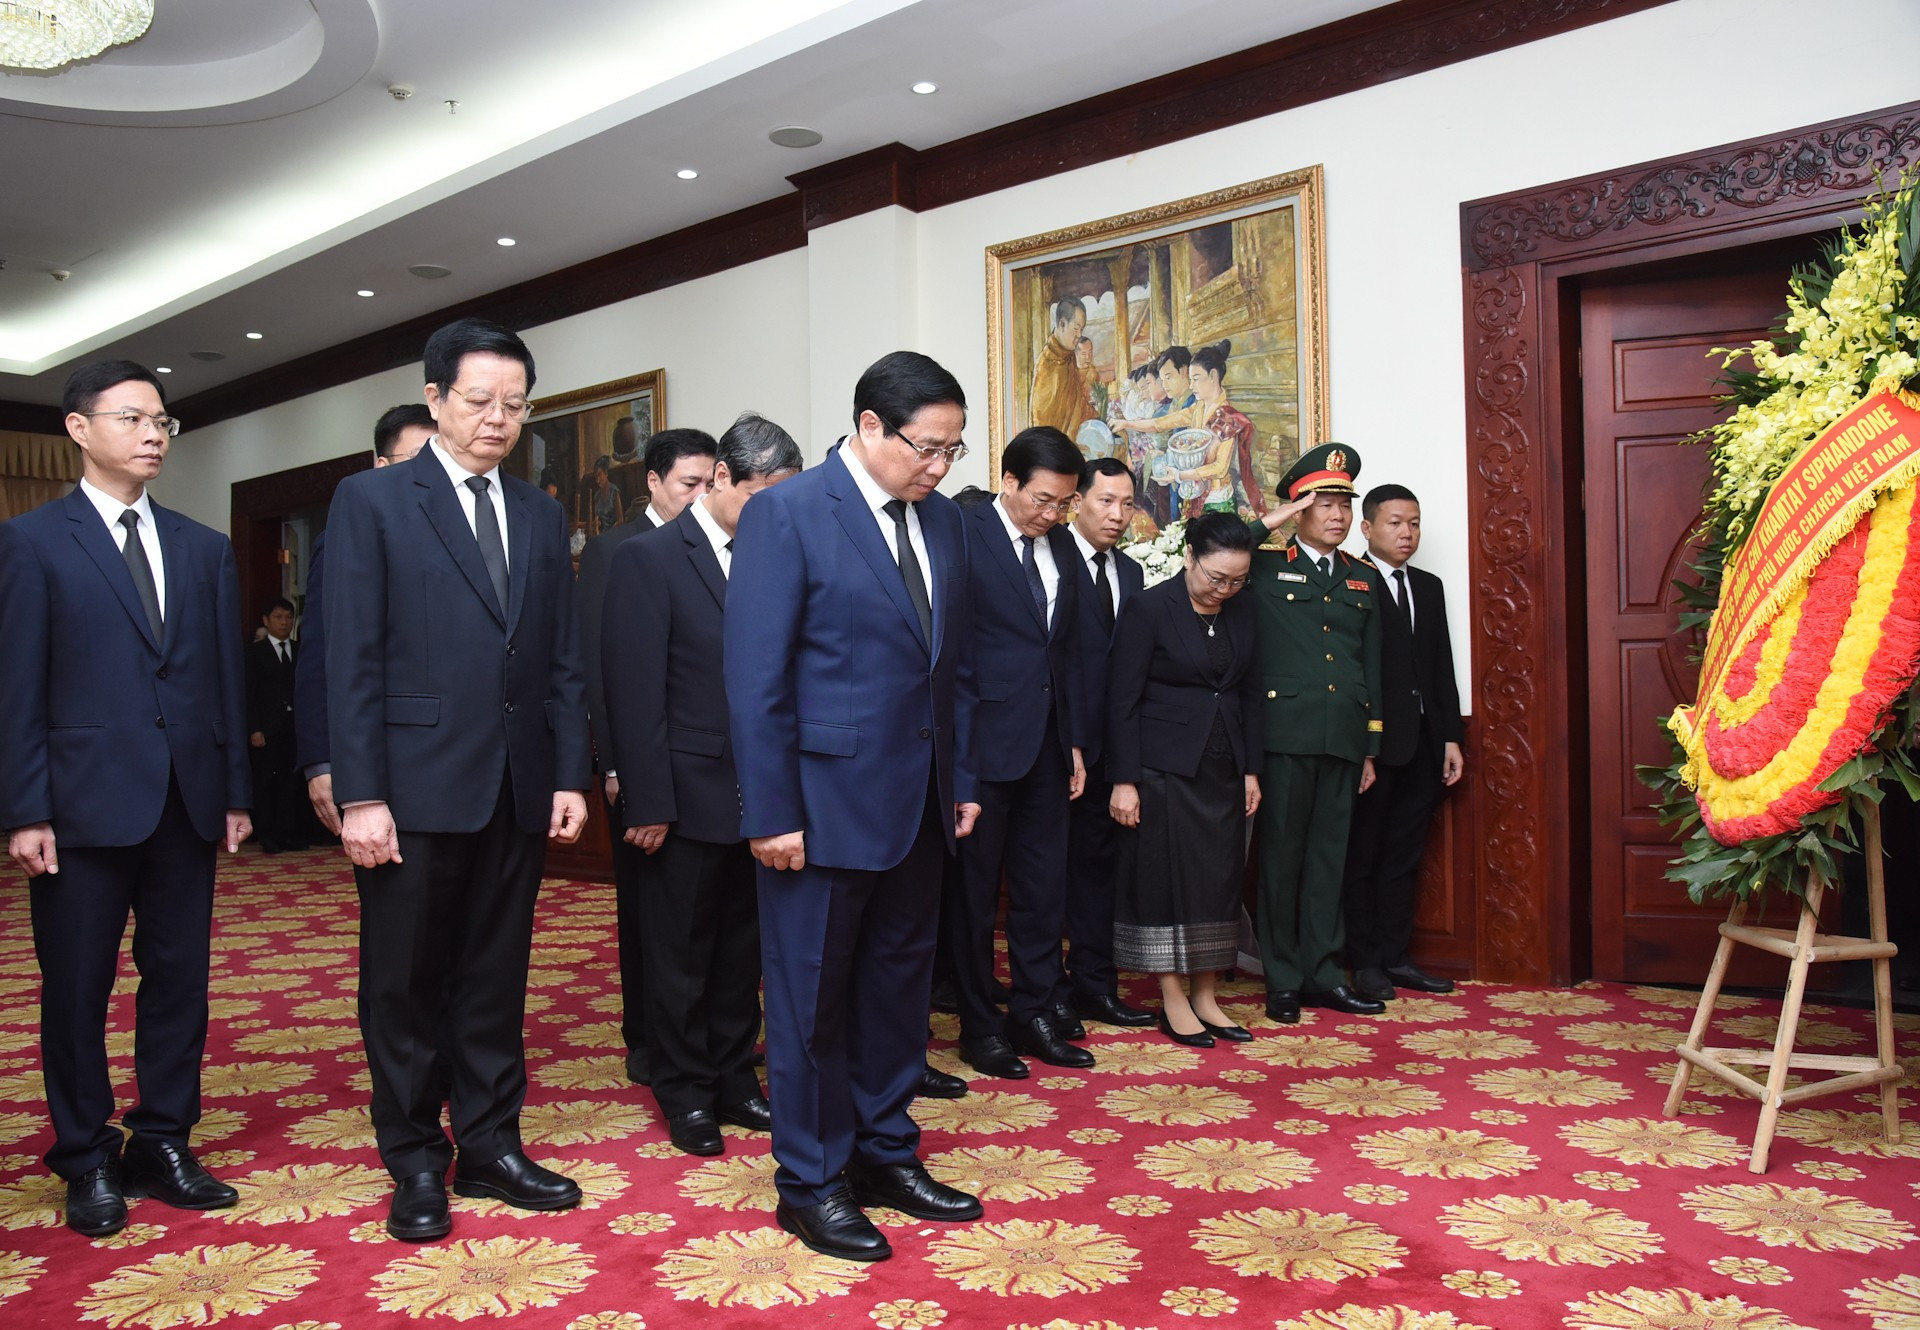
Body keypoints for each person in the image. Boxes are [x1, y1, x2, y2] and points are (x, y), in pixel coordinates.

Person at [325, 318, 591, 1242]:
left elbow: (560, 657)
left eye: (515, 405)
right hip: (411, 786)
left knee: (493, 976)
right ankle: (413, 1160)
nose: (498, 419)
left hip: (515, 785)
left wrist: (566, 771)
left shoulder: (540, 512)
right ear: (435, 398)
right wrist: (361, 793)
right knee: (402, 983)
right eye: (479, 401)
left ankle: (489, 1143)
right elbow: (350, 658)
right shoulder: (374, 501)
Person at [726, 351, 983, 1263]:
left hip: (918, 807)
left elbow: (948, 665)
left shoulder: (946, 522)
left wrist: (961, 783)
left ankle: (884, 1153)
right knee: (809, 1007)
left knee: (896, 997)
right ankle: (811, 1180)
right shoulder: (789, 514)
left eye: (954, 450)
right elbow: (756, 679)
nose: (940, 466)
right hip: (819, 809)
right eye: (927, 447)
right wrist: (769, 812)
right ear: (869, 426)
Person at [0, 360, 252, 1238]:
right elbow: (16, 686)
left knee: (179, 980)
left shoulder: (201, 546)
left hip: (186, 799)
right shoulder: (31, 543)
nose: (153, 435)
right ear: (78, 429)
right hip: (77, 806)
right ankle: (82, 1153)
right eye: (134, 418)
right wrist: (24, 808)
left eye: (163, 423)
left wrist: (233, 791)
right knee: (77, 986)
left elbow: (225, 682)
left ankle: (163, 1139)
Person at [600, 413, 802, 1157]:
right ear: (722, 478)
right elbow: (633, 688)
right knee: (680, 952)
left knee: (740, 951)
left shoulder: (775, 555)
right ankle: (683, 1090)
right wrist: (648, 799)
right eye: (763, 497)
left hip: (761, 794)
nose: (774, 513)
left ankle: (733, 1076)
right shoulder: (651, 558)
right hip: (683, 794)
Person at [575, 426, 717, 1087]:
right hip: (638, 759)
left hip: (708, 768)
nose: (700, 494)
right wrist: (612, 763)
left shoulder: (726, 546)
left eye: (708, 482)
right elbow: (608, 669)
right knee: (644, 910)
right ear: (654, 483)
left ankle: (700, 1037)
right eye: (688, 483)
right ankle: (645, 1034)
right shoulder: (616, 550)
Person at [948, 426, 1089, 1080]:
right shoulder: (960, 532)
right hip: (980, 748)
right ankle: (979, 1026)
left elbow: (1068, 652)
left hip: (1048, 747)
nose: (1054, 514)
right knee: (975, 897)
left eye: (1064, 502)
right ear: (1008, 482)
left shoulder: (1059, 541)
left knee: (1041, 892)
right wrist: (957, 763)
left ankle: (1034, 1012)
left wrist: (1076, 742)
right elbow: (948, 655)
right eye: (1043, 500)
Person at [1107, 513, 1264, 1045]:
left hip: (1222, 768)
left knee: (1217, 883)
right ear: (1189, 557)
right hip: (1162, 769)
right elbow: (1121, 700)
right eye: (1216, 577)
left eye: (1237, 580)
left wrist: (1250, 770)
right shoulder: (1149, 608)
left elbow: (1247, 694)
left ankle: (1206, 995)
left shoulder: (1243, 611)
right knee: (1166, 882)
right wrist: (1124, 780)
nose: (1225, 589)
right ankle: (1172, 997)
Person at [1246, 443, 1385, 1024]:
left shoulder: (1361, 577)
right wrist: (1267, 521)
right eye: (1323, 503)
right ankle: (1281, 976)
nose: (1337, 515)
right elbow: (1205, 547)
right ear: (1298, 510)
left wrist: (1371, 745)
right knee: (1279, 860)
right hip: (1284, 734)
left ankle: (1324, 974)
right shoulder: (1265, 564)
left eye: (1344, 505)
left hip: (1344, 737)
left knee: (1330, 860)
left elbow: (1371, 664)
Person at [1344, 484, 1464, 1001]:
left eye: (1413, 522)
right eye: (1394, 523)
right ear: (1367, 528)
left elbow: (1440, 667)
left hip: (1424, 743)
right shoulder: (1351, 582)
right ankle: (1364, 961)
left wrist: (1451, 739)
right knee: (1363, 854)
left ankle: (1396, 957)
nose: (1407, 532)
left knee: (1404, 855)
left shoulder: (1430, 586)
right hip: (1373, 746)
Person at [297, 404, 435, 838]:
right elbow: (323, 651)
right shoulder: (346, 535)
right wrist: (321, 760)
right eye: (417, 459)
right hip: (381, 755)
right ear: (381, 466)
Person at [1060, 458, 1154, 1029]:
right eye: (1105, 502)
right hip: (1055, 750)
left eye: (1127, 504)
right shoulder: (1048, 560)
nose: (1118, 515)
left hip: (1114, 751)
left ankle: (1094, 985)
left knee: (1099, 873)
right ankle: (1043, 992)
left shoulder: (1133, 574)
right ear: (1077, 502)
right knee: (1046, 878)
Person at [1176, 339, 1266, 520]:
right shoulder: (1199, 409)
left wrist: (1181, 475)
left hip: (1217, 500)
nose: (1191, 386)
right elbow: (1164, 422)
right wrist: (1129, 424)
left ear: (1213, 376)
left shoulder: (1227, 417)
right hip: (1197, 494)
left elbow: (1220, 468)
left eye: (1195, 379)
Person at [245, 597, 306, 852]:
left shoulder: (300, 649)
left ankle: (288, 834)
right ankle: (267, 835)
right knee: (265, 782)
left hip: (294, 727)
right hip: (267, 729)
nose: (284, 622)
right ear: (266, 620)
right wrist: (254, 728)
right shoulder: (254, 653)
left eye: (288, 617)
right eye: (279, 617)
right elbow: (249, 694)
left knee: (290, 783)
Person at [1030, 297, 1090, 437]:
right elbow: (1042, 425)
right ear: (1062, 324)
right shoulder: (1047, 365)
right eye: (1076, 329)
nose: (1080, 335)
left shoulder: (1069, 358)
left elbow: (1077, 404)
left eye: (1081, 329)